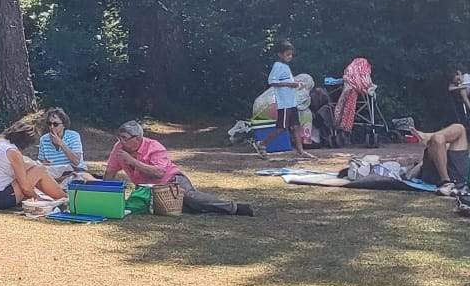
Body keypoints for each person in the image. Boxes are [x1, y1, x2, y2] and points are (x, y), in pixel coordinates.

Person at [103, 121, 255, 216]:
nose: (121, 142)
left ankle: (234, 208)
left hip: (172, 181)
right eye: (119, 138)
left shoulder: (154, 147)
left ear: (137, 139)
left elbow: (159, 173)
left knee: (192, 199)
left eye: (124, 138)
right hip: (148, 190)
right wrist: (104, 194)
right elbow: (110, 172)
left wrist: (132, 161)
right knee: (174, 210)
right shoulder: (118, 149)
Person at [0, 123, 67, 211]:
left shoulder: (0, 145)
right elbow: (25, 188)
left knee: (37, 170)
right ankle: (65, 198)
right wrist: (38, 198)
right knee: (40, 170)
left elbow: (24, 167)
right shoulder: (13, 152)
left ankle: (61, 197)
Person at [267, 40, 312, 158]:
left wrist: (296, 84)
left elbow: (287, 81)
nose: (290, 57)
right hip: (284, 103)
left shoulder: (285, 67)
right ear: (280, 54)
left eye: (291, 54)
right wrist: (289, 84)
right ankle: (261, 144)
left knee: (296, 127)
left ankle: (300, 151)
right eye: (287, 54)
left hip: (292, 102)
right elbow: (272, 82)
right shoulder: (277, 66)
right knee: (281, 128)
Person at [406, 122, 470, 188]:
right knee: (438, 138)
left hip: (457, 174)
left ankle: (427, 136)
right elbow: (412, 173)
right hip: (437, 174)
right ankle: (445, 181)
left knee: (458, 129)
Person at [36, 108, 88, 182]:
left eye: (55, 124)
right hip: (55, 175)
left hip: (75, 173)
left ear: (63, 125)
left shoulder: (73, 136)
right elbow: (42, 163)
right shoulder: (44, 139)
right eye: (49, 123)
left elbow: (76, 161)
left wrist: (60, 143)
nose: (52, 127)